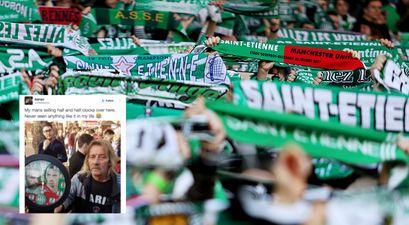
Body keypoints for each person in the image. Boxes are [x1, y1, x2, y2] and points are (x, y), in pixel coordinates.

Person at [54, 140, 120, 213]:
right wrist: (62, 205)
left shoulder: (121, 185)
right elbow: (68, 196)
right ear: (87, 160)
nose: (95, 162)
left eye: (102, 157)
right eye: (92, 157)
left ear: (110, 161)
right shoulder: (79, 179)